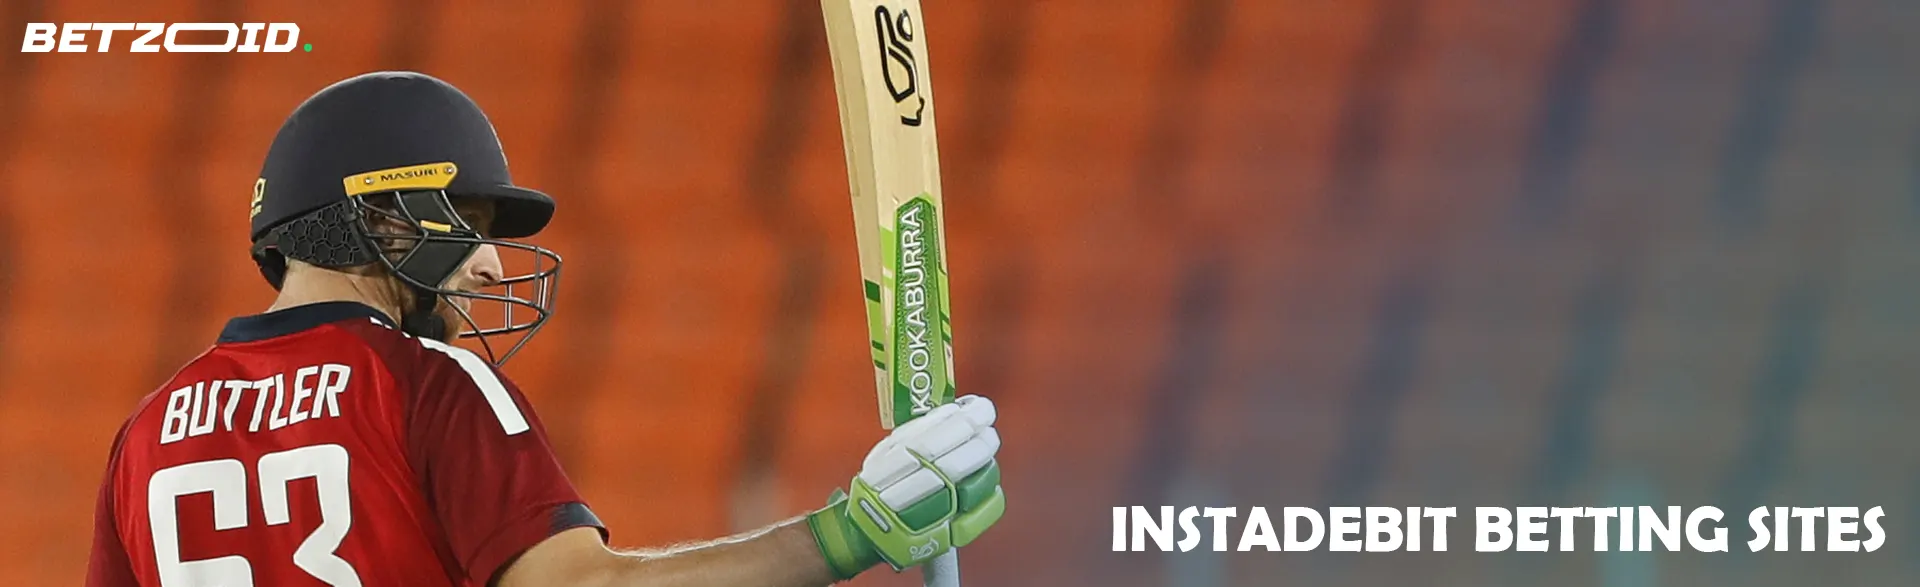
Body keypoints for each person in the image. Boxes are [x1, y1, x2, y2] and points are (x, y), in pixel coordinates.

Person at [84, 71, 1005, 587]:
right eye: (471, 225)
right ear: (389, 217)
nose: (487, 263)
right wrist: (846, 535)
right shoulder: (428, 384)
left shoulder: (143, 434)